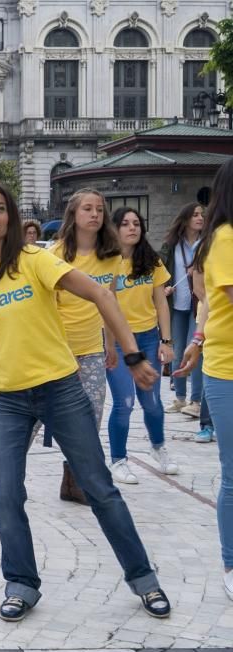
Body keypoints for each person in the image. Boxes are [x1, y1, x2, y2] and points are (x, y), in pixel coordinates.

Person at [0, 179, 171, 622]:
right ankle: (21, 583)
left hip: (61, 389)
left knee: (99, 488)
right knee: (3, 493)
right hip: (5, 400)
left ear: (8, 217)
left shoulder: (35, 260)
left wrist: (134, 353)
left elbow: (102, 294)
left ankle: (143, 577)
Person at [174, 157, 233, 599]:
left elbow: (209, 304)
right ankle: (232, 563)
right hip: (229, 371)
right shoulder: (226, 239)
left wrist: (196, 337)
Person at [48, 189, 121, 502]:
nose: (94, 214)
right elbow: (46, 306)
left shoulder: (112, 257)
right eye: (87, 209)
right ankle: (6, 478)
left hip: (92, 348)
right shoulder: (54, 255)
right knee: (37, 417)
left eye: (100, 210)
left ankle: (75, 480)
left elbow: (110, 302)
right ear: (73, 215)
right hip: (55, 349)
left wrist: (112, 344)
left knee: (90, 416)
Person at [106, 207, 178, 481]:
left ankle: (158, 447)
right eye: (125, 224)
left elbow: (161, 302)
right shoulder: (108, 263)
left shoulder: (152, 261)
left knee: (153, 402)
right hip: (120, 342)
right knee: (124, 403)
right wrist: (109, 346)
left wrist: (166, 341)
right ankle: (118, 459)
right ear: (115, 229)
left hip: (148, 338)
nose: (132, 228)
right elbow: (105, 306)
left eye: (136, 223)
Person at [160, 202, 206, 417]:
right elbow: (161, 271)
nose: (200, 218)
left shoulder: (207, 243)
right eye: (195, 215)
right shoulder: (172, 245)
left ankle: (196, 401)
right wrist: (165, 287)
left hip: (199, 305)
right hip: (177, 305)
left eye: (202, 215)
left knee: (194, 351)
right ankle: (180, 398)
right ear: (185, 218)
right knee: (177, 352)